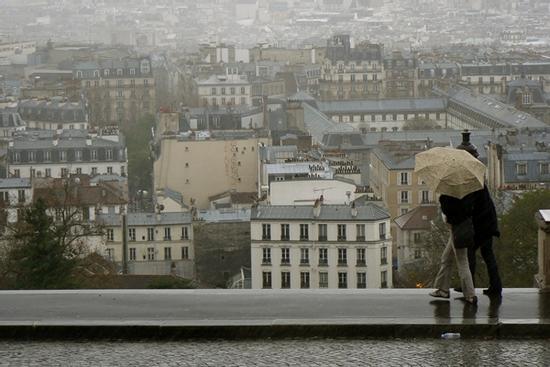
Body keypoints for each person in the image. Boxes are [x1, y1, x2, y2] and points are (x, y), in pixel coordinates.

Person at [455, 131, 503, 298]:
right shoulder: (477, 177)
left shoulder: (471, 180)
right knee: (487, 254)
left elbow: (470, 205)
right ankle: (495, 286)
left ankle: (469, 286)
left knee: (470, 254)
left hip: (481, 224)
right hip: (487, 221)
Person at [430, 191, 478, 305]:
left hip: (457, 229)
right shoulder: (467, 192)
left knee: (462, 262)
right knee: (446, 258)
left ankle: (470, 294)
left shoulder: (450, 193)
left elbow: (447, 210)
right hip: (463, 227)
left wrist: (442, 198)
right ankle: (443, 289)